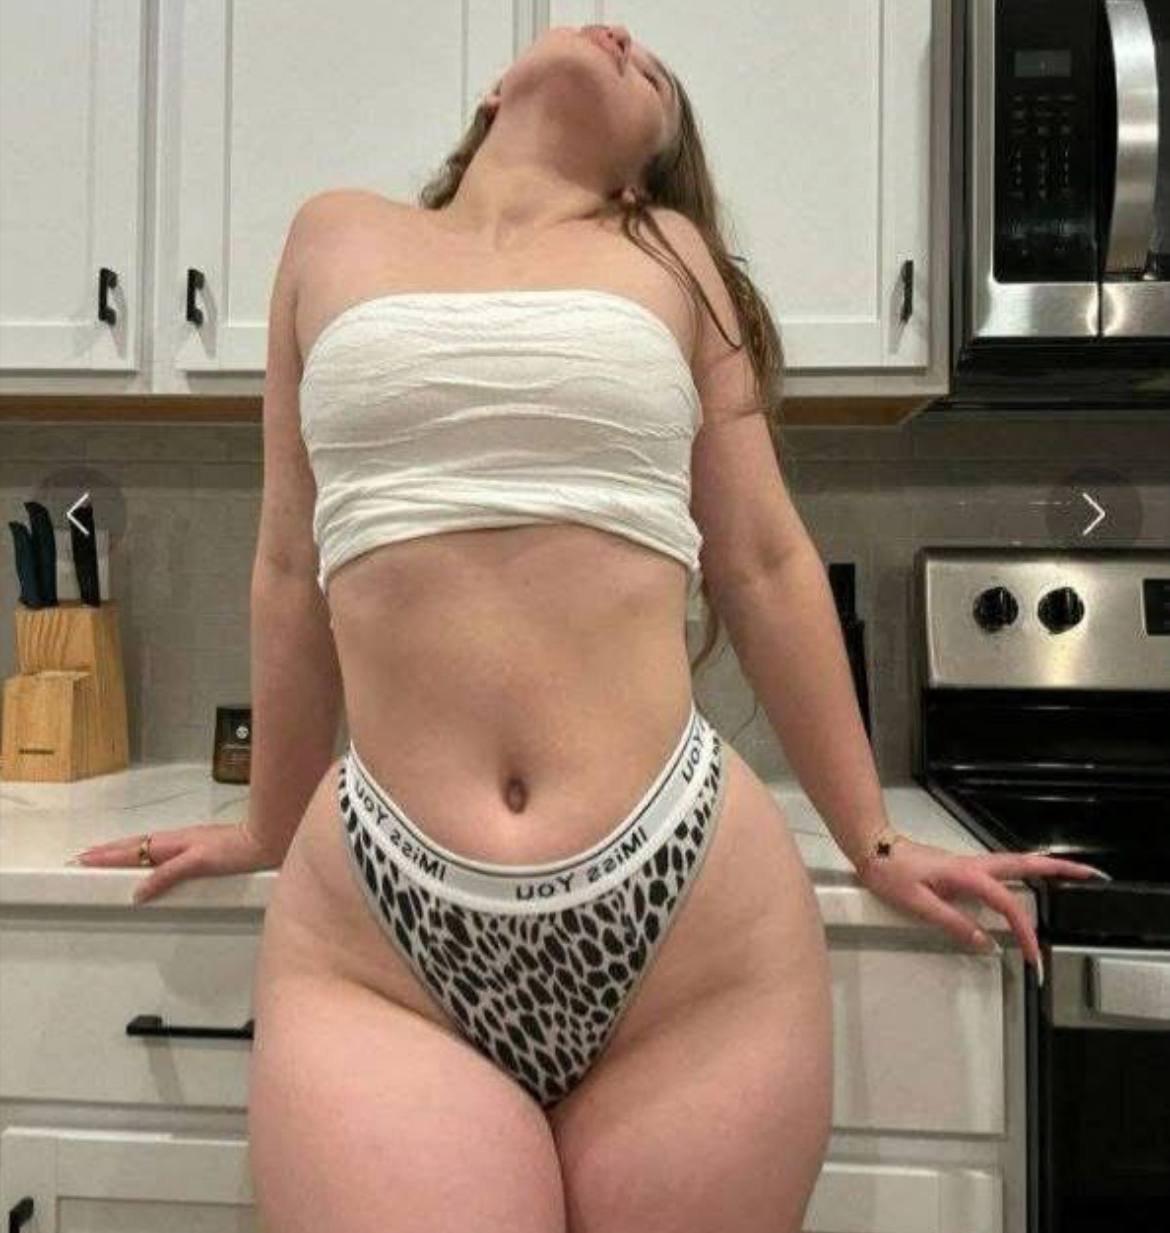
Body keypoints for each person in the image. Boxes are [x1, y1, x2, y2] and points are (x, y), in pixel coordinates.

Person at [70, 22, 1110, 1232]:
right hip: (384, 934)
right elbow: (291, 565)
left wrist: (874, 840)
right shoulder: (332, 233)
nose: (627, 40)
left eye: (657, 74)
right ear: (492, 91)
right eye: (613, 37)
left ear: (646, 166)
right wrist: (265, 822)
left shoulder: (667, 251)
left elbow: (764, 560)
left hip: (687, 924)